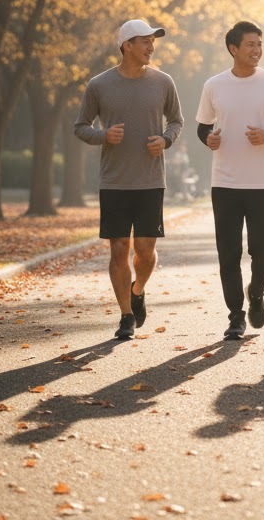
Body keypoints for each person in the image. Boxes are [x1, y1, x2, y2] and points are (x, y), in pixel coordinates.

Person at [74, 19, 183, 341]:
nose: (151, 47)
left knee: (145, 251)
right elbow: (81, 126)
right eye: (144, 41)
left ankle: (138, 290)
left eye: (153, 41)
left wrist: (166, 140)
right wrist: (103, 135)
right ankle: (125, 316)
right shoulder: (99, 85)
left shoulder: (163, 82)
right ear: (127, 46)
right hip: (114, 182)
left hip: (151, 180)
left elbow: (177, 121)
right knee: (119, 248)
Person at [196, 21, 264, 340]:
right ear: (233, 49)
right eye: (250, 45)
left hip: (262, 183)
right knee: (228, 253)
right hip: (224, 183)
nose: (257, 50)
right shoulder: (214, 85)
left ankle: (256, 294)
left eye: (259, 44)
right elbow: (203, 128)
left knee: (263, 251)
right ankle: (235, 317)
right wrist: (208, 140)